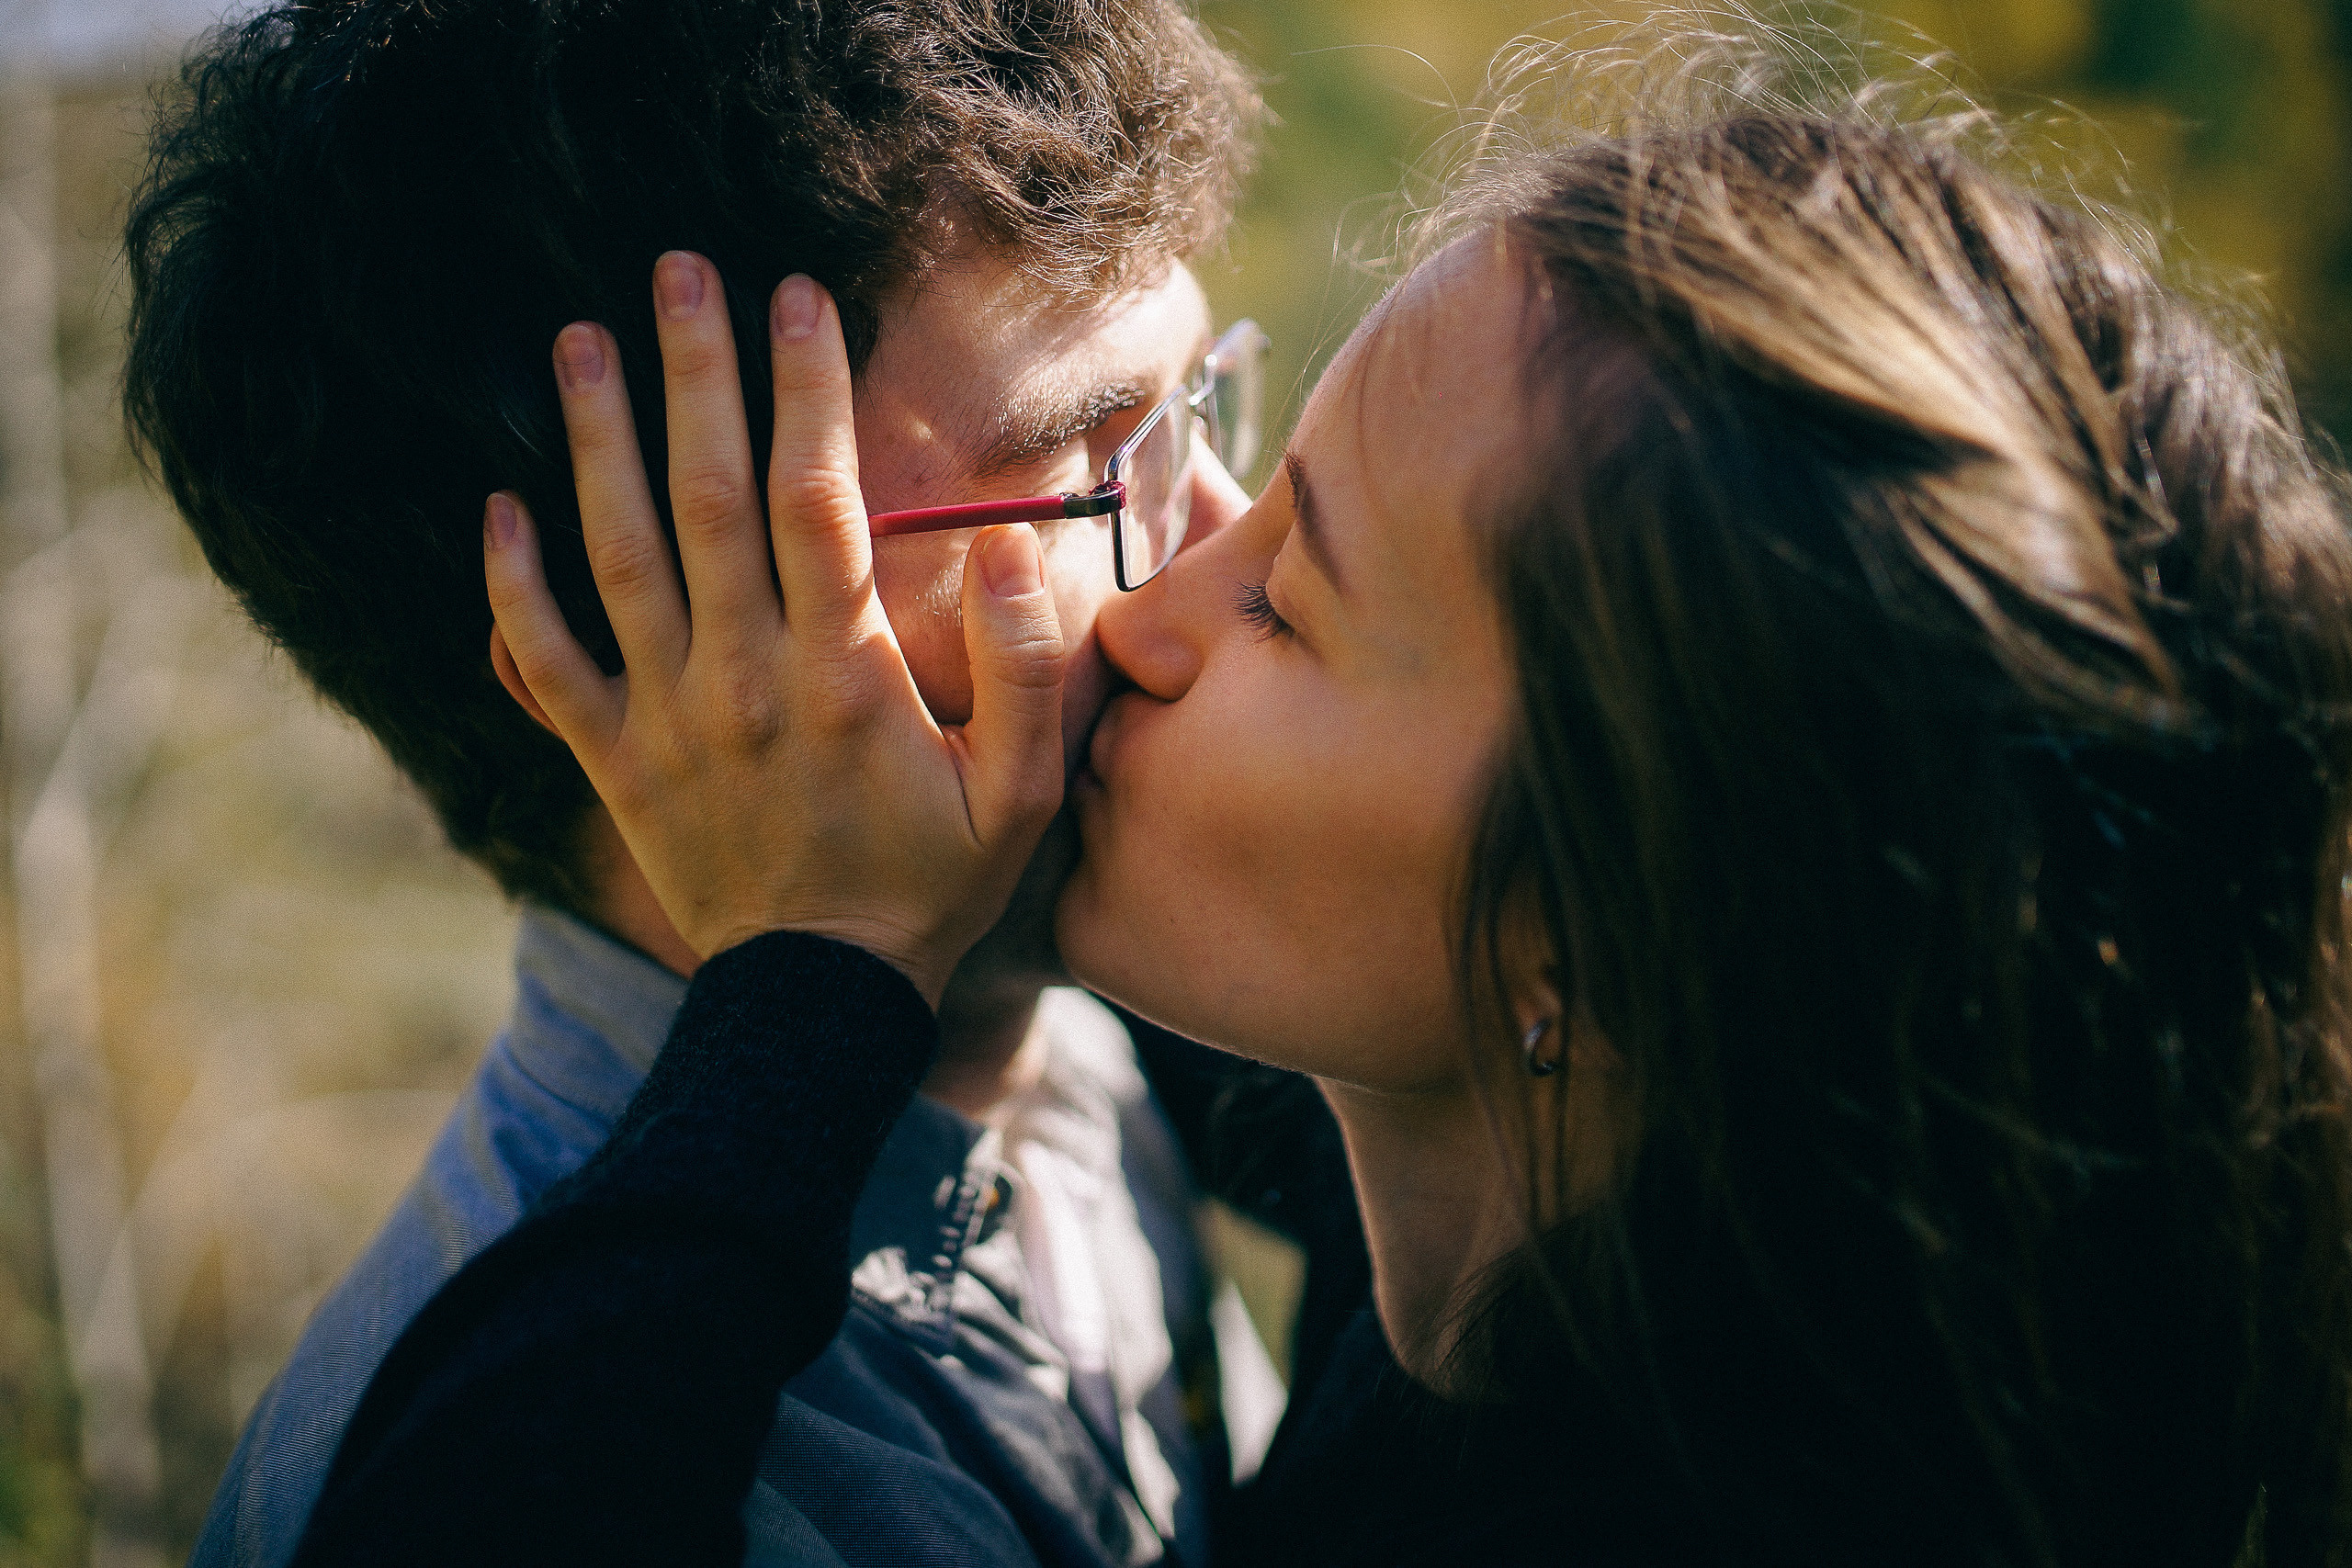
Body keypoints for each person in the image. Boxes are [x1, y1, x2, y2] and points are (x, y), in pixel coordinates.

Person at [311, 28, 2352, 1568]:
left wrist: (811, 967)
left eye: (1288, 596)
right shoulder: (1669, 1191)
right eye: (1135, 466)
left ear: (1603, 927)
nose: (1148, 601)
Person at [119, 1, 1286, 1563]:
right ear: (644, 640)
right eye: (1104, 466)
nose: (1236, 547)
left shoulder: (1054, 1027)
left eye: (1203, 401)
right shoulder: (618, 1478)